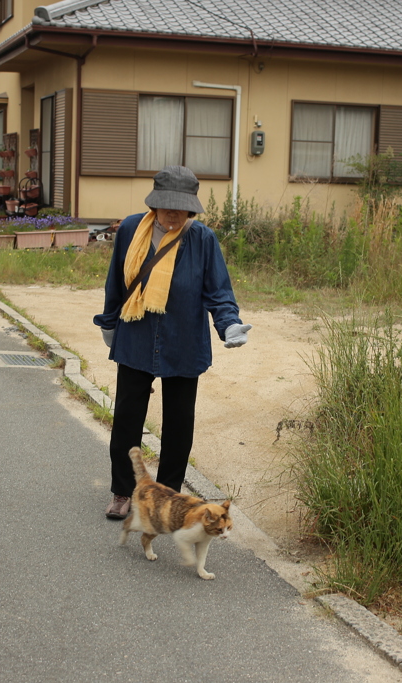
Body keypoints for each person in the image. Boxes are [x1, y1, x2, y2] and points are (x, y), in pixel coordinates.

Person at [94, 165, 251, 519]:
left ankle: (166, 498)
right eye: (167, 206)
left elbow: (219, 292)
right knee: (126, 422)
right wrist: (108, 323)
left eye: (181, 207)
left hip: (183, 341)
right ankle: (123, 492)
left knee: (179, 426)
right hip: (135, 337)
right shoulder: (132, 230)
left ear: (191, 207)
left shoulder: (203, 239)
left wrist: (229, 326)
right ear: (155, 203)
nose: (173, 214)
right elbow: (115, 284)